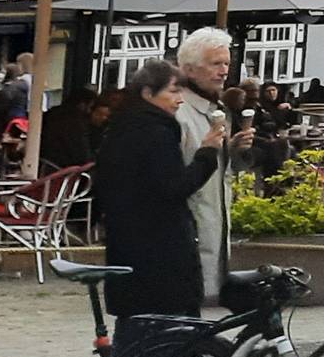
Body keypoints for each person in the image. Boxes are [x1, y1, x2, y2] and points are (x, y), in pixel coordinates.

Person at [92, 60, 221, 318]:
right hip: (160, 254)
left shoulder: (121, 127)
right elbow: (174, 187)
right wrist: (206, 155)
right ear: (148, 93)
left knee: (138, 332)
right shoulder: (154, 132)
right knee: (172, 335)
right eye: (173, 92)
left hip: (129, 248)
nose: (180, 100)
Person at [172, 28, 237, 301]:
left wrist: (234, 151)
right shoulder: (179, 113)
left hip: (215, 232)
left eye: (226, 64)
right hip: (189, 236)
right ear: (189, 69)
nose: (223, 71)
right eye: (215, 64)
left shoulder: (218, 111)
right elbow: (177, 178)